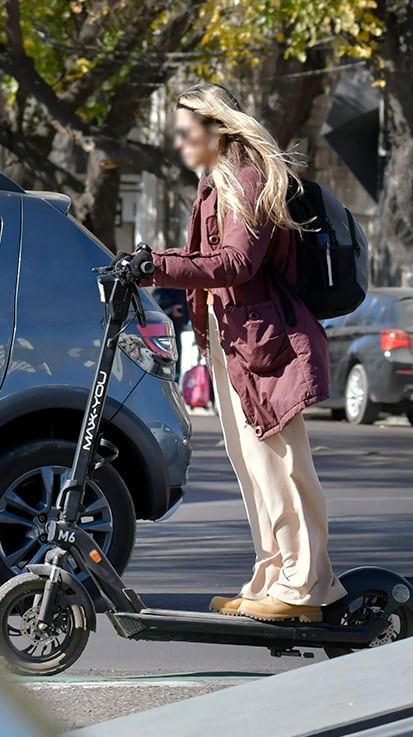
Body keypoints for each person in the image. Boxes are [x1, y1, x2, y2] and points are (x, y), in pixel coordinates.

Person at [134, 83, 347, 623]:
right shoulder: (215, 184)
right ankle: (273, 578)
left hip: (267, 340)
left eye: (186, 130)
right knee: (252, 466)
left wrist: (157, 266)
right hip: (236, 337)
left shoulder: (245, 177)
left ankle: (307, 587)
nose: (179, 141)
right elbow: (206, 258)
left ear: (216, 128)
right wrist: (149, 261)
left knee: (283, 465)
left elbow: (235, 264)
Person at [152, 286, 190, 377]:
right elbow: (156, 305)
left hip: (176, 330)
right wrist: (170, 309)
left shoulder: (183, 289)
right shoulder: (162, 290)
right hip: (161, 333)